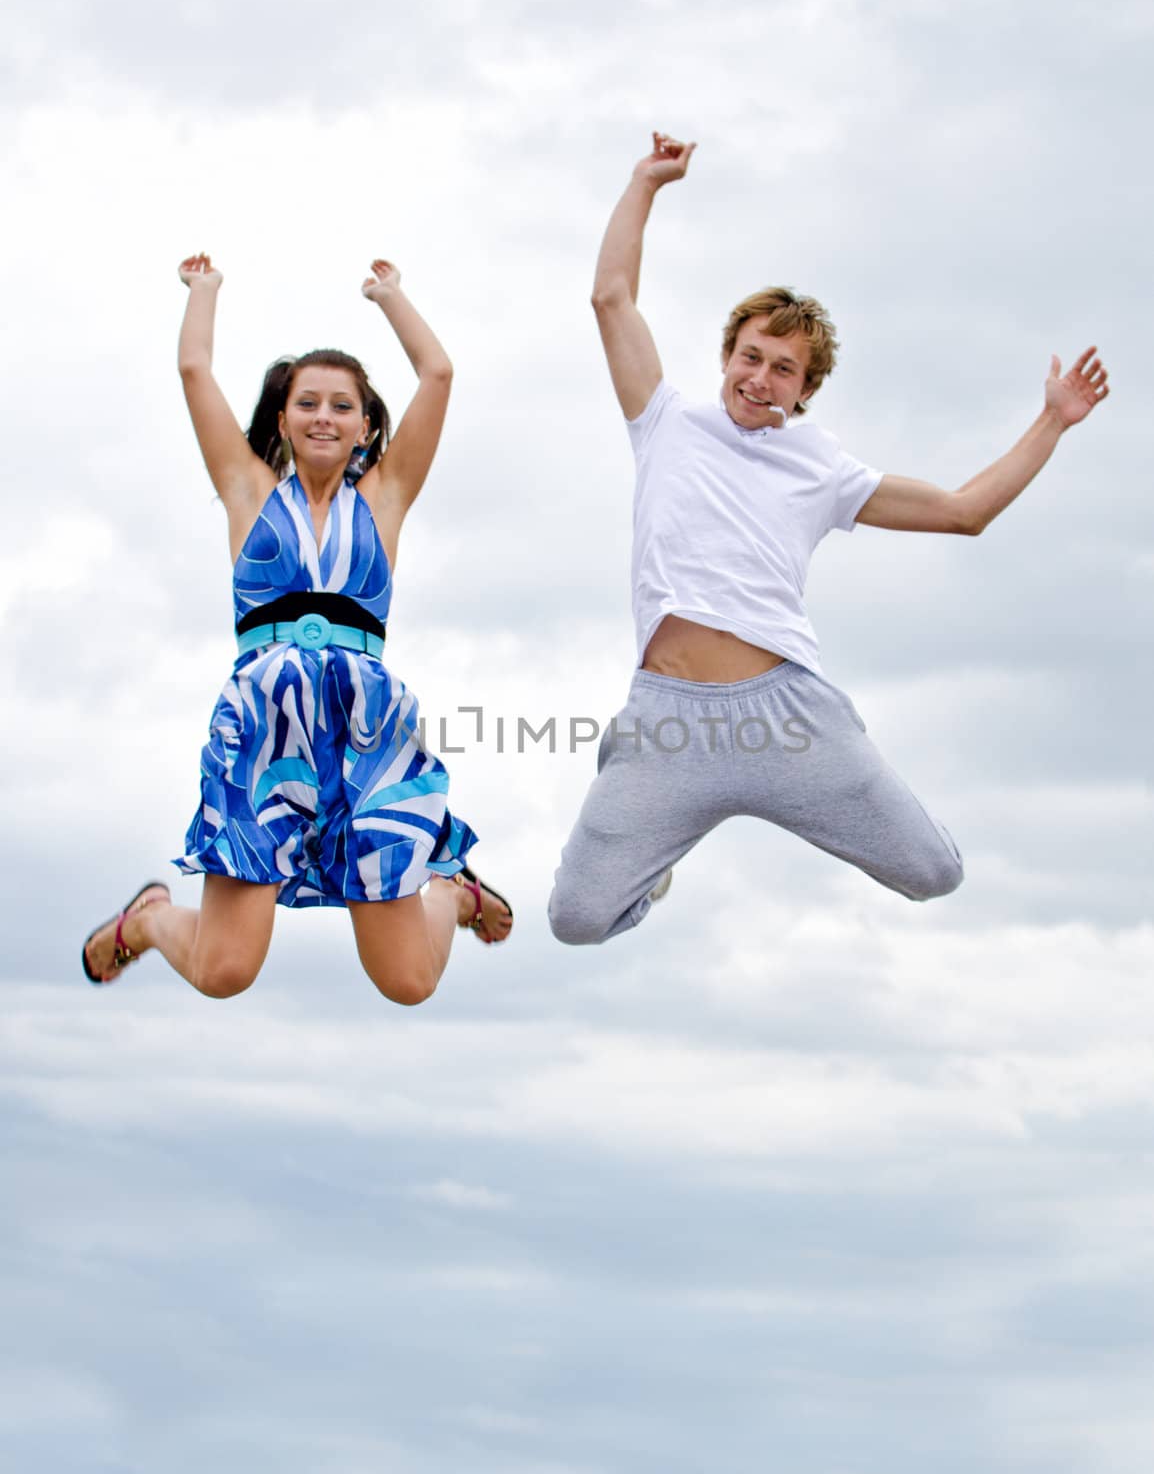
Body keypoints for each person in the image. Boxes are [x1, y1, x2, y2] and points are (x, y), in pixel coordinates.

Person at [548, 133, 1109, 945]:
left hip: (787, 716)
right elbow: (611, 299)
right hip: (668, 719)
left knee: (935, 872)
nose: (759, 378)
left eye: (783, 369)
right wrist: (646, 184)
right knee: (577, 919)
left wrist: (1052, 421)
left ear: (806, 389)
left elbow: (962, 511)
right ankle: (656, 860)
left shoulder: (822, 466)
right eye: (750, 357)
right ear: (726, 356)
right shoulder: (665, 421)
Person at [82, 253, 512, 1002]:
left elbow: (437, 375)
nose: (324, 416)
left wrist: (391, 298)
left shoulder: (385, 497)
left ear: (366, 424)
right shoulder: (249, 490)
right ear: (282, 416)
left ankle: (450, 892)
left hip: (366, 724)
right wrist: (204, 292)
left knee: (408, 983)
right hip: (264, 721)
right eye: (307, 402)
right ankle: (151, 919)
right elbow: (194, 371)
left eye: (342, 405)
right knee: (224, 973)